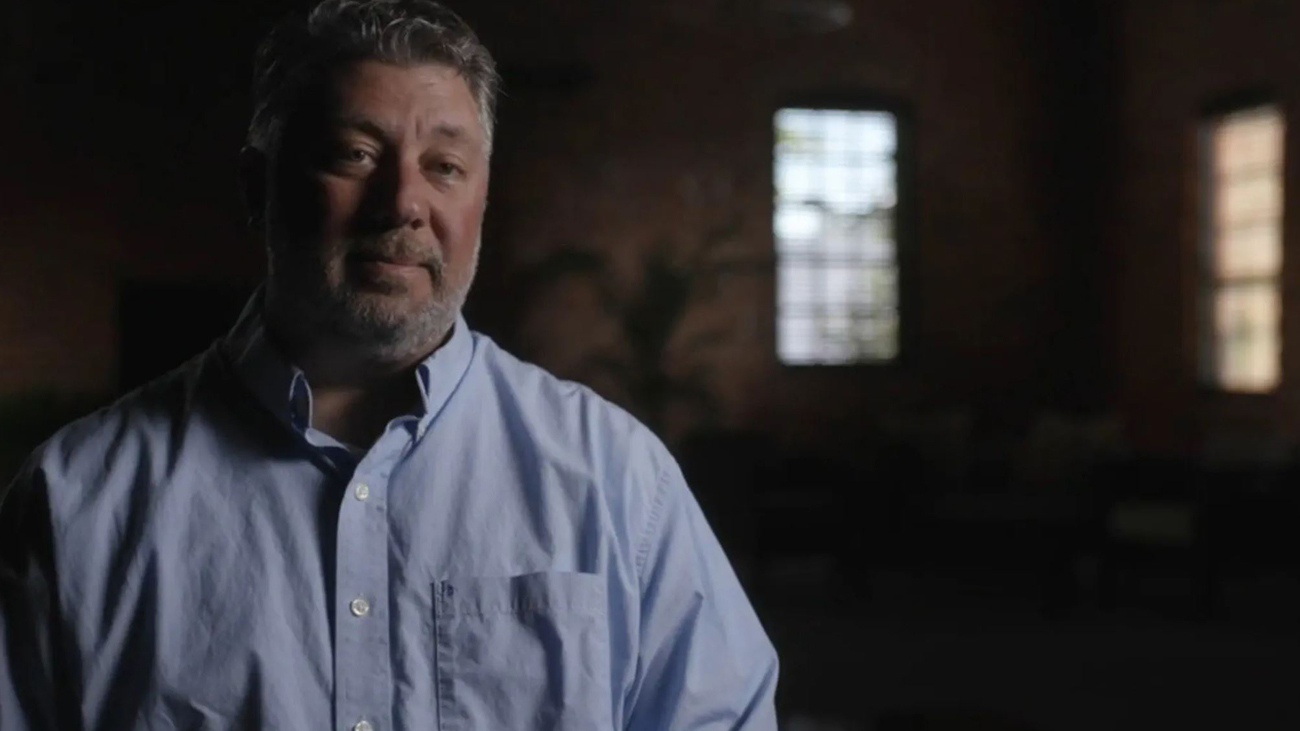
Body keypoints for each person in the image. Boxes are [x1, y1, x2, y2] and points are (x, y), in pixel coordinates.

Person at [0, 1, 779, 729]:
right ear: (258, 186)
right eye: (356, 153)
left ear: (480, 200)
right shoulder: (75, 504)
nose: (402, 201)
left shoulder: (620, 483)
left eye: (445, 165)